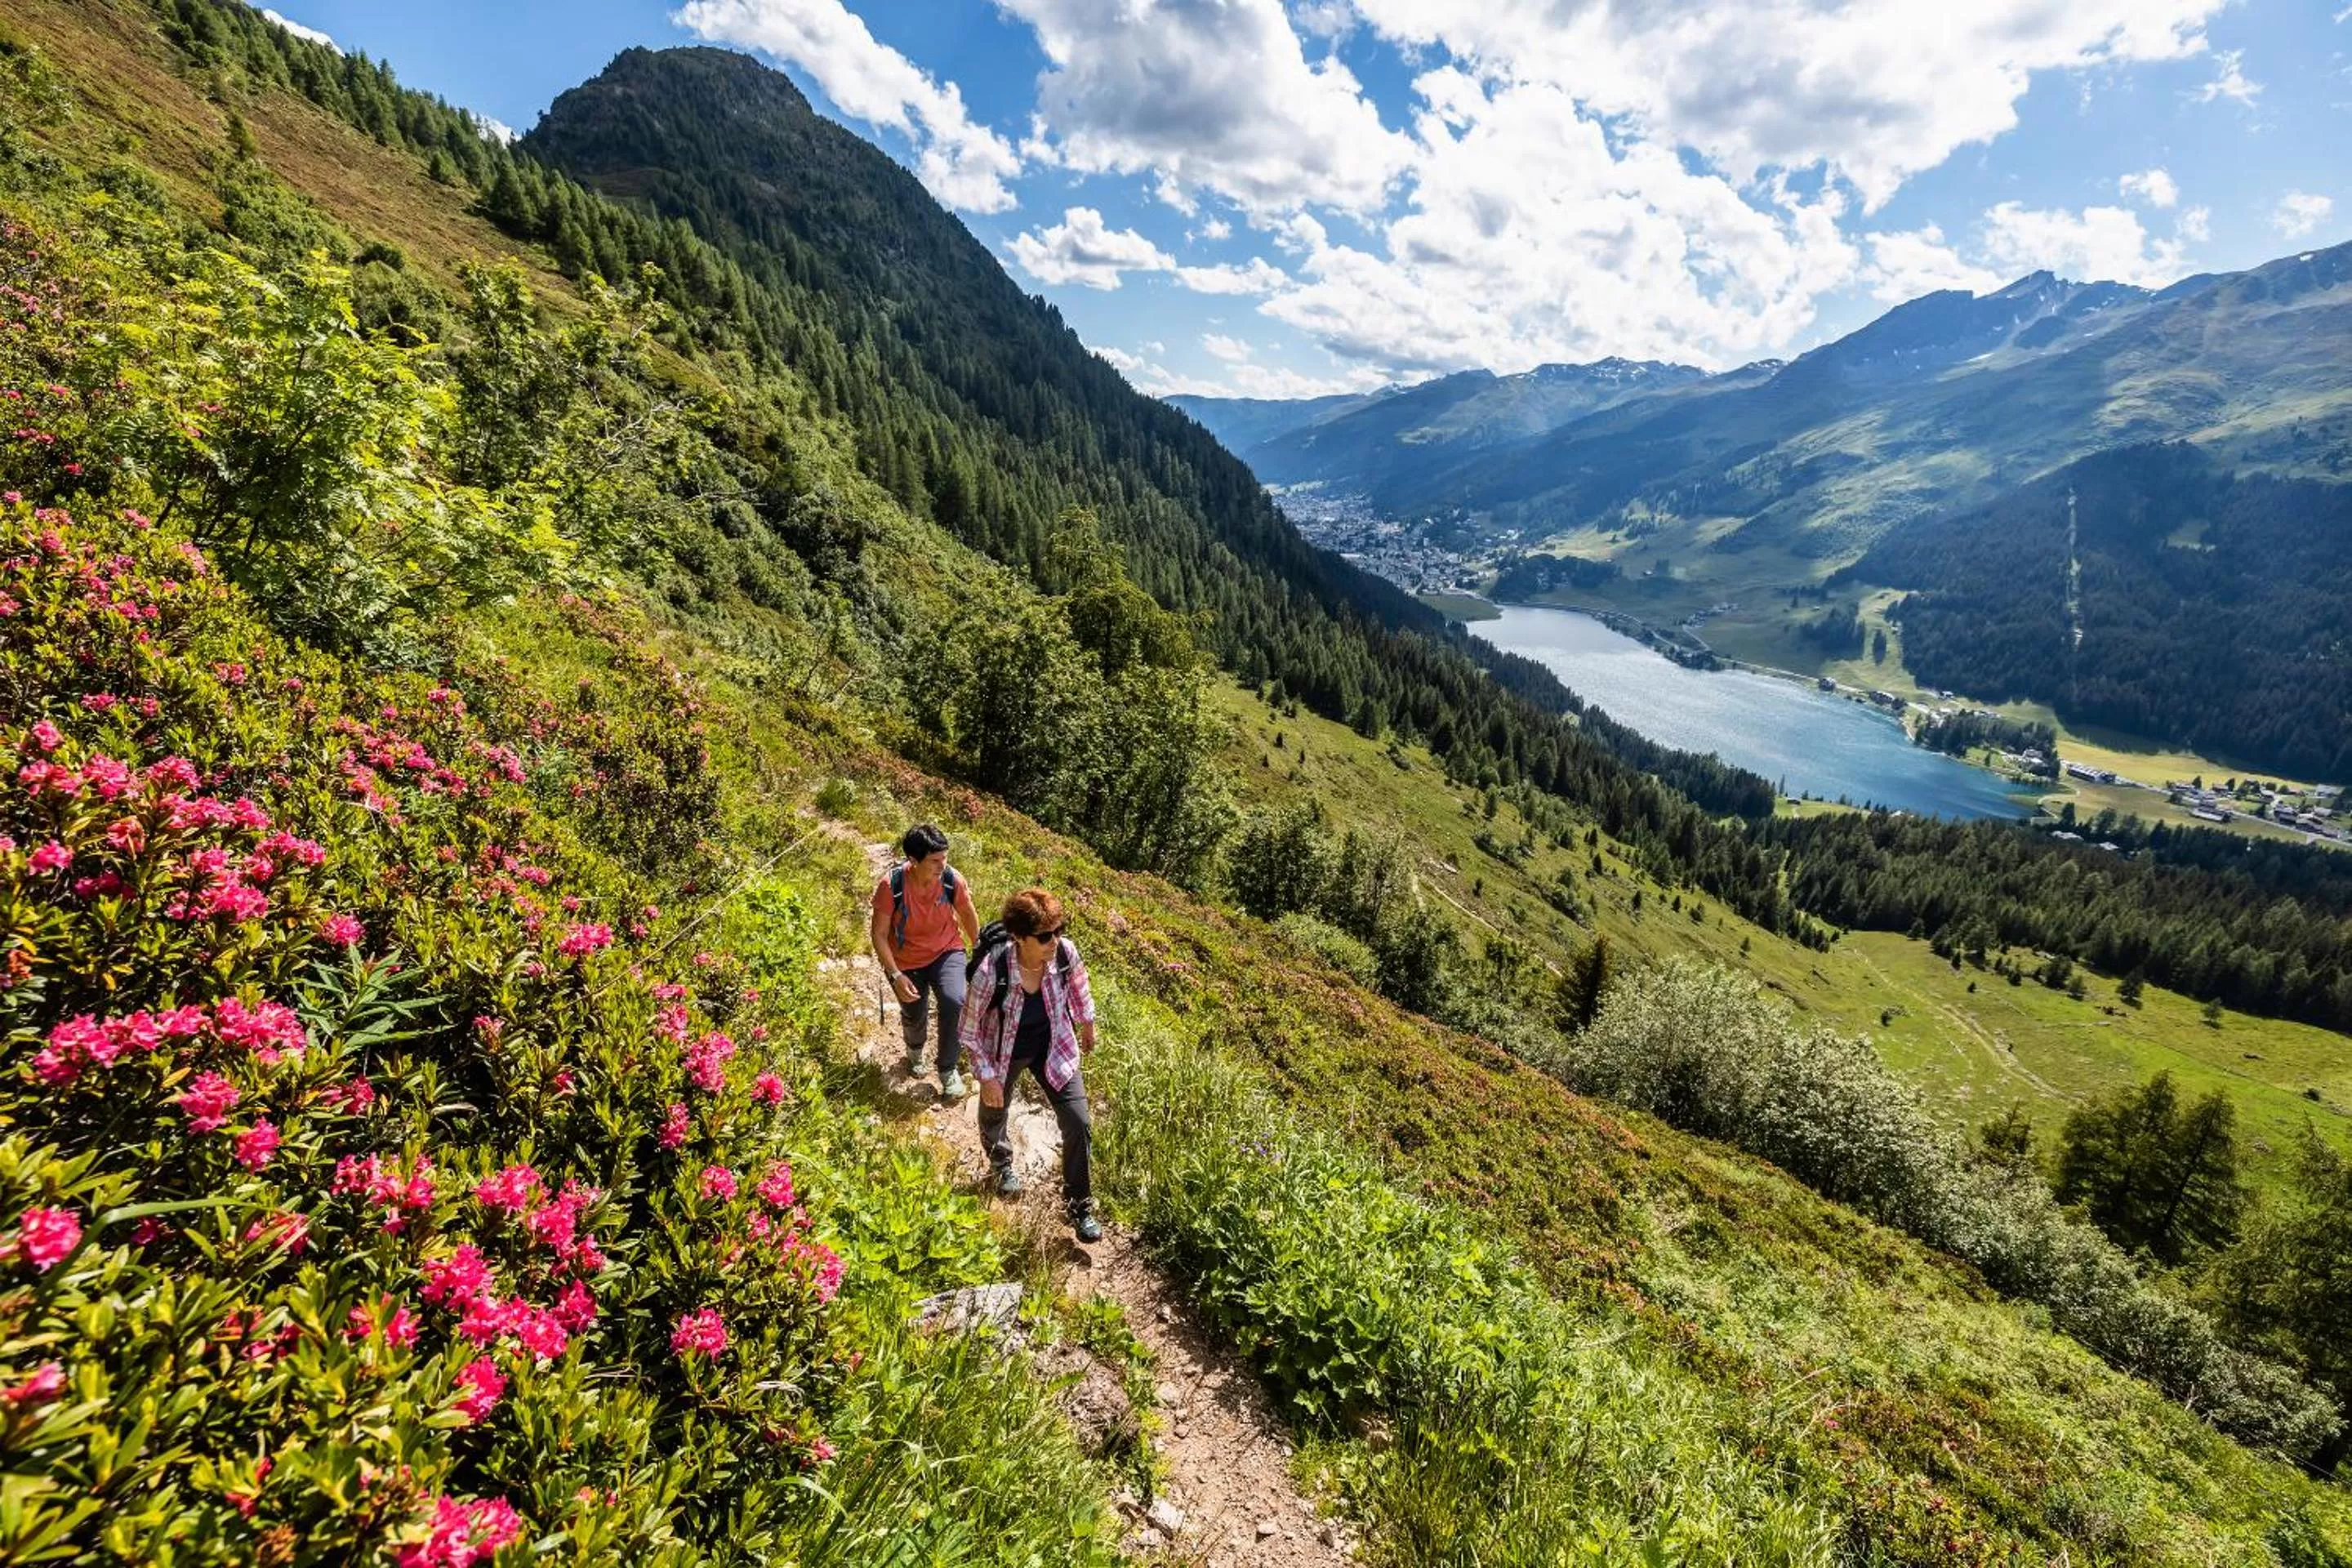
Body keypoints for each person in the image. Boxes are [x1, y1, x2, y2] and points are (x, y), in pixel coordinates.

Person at [959, 887, 1102, 1242]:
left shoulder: (1065, 953)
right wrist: (987, 1077)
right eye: (1044, 935)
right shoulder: (993, 971)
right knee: (994, 1110)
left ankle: (1079, 1205)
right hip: (1003, 1051)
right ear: (1020, 938)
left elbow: (1080, 987)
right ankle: (1001, 1164)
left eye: (1059, 930)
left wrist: (1087, 1023)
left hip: (1054, 1045)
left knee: (1078, 1122)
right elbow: (969, 1030)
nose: (1055, 941)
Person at [870, 823, 980, 1099]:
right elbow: (879, 935)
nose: (942, 865)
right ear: (913, 860)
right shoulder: (891, 885)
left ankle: (947, 1068)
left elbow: (966, 912)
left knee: (956, 1001)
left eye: (944, 858)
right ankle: (915, 1050)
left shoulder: (951, 879)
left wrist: (979, 948)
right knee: (914, 1012)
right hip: (905, 960)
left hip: (947, 950)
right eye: (934, 861)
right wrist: (895, 975)